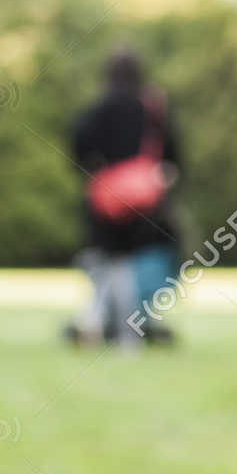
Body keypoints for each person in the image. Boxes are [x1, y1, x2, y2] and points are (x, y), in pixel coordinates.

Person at [66, 47, 183, 348]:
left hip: (106, 202)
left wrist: (98, 172)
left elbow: (78, 148)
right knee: (135, 267)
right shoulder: (152, 111)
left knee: (109, 264)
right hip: (146, 205)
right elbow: (173, 156)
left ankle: (98, 320)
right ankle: (128, 328)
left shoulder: (97, 110)